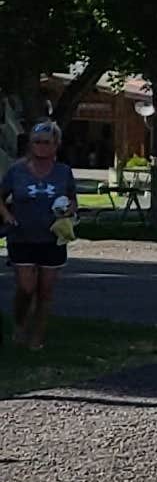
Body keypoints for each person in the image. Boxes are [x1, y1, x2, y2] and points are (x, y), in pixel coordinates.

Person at [5, 117, 78, 348]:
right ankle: (19, 324)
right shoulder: (17, 171)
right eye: (36, 142)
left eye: (46, 142)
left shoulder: (63, 172)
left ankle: (37, 337)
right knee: (26, 288)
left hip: (53, 238)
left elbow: (73, 199)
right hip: (21, 236)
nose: (41, 147)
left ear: (56, 145)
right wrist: (7, 216)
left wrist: (69, 210)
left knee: (45, 291)